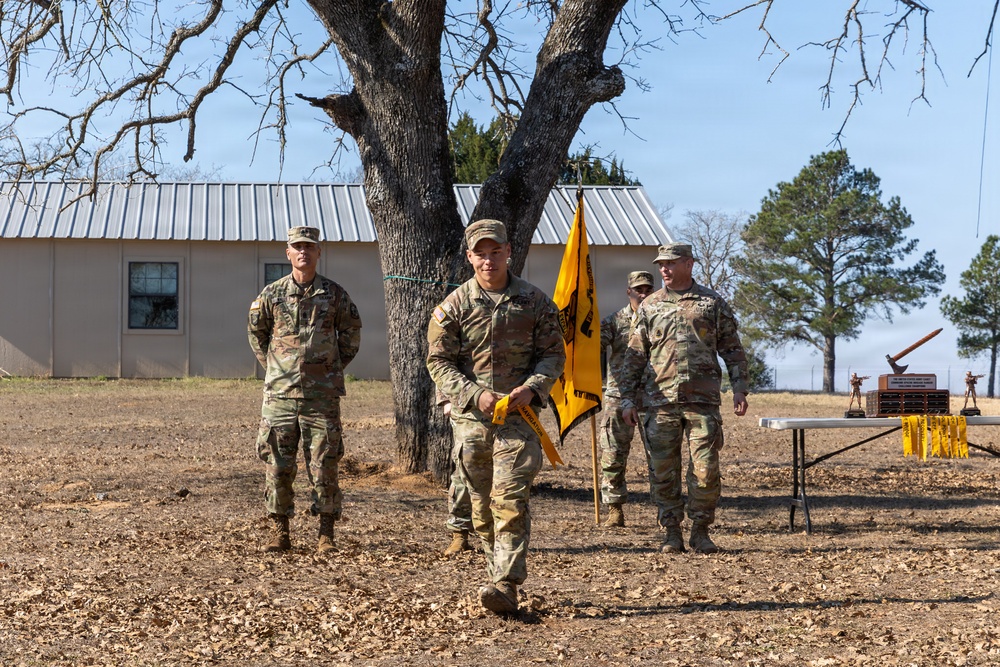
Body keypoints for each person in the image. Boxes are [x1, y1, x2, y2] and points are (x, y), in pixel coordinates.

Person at [426, 219, 565, 615]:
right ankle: (496, 573)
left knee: (510, 499)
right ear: (470, 257)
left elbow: (554, 354)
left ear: (508, 252)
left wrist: (533, 388)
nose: (488, 260)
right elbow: (438, 362)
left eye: (495, 252)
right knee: (482, 505)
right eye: (480, 254)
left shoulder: (535, 302)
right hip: (473, 421)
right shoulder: (453, 306)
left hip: (519, 419)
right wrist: (474, 394)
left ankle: (506, 583)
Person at [616, 242, 749, 554]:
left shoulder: (711, 303)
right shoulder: (650, 306)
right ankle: (671, 532)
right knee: (663, 472)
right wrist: (627, 399)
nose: (664, 269)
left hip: (702, 402)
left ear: (689, 264)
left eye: (671, 263)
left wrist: (740, 387)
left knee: (706, 469)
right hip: (658, 402)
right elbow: (634, 356)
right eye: (661, 264)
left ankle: (701, 530)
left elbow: (732, 348)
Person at [248, 226, 363, 554]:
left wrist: (330, 368)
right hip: (280, 396)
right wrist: (275, 367)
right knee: (278, 464)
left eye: (309, 247)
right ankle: (279, 532)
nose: (303, 252)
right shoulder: (272, 294)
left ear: (318, 253)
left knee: (324, 464)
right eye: (297, 246)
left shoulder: (335, 294)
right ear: (288, 253)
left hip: (321, 397)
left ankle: (326, 534)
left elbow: (351, 333)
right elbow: (256, 333)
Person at [598, 270, 656, 527]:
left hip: (653, 396)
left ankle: (664, 510)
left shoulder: (659, 318)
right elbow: (593, 346)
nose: (643, 294)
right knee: (613, 454)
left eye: (648, 290)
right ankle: (614, 508)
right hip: (618, 396)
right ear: (628, 291)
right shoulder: (615, 321)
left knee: (659, 457)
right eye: (638, 290)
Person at [440, 397, 474, 556]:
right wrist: (445, 399)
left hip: (509, 406)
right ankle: (459, 534)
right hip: (466, 406)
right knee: (464, 469)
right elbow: (442, 378)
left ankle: (503, 537)